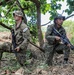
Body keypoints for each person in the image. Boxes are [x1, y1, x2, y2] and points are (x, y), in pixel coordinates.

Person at [0, 10, 31, 74]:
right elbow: (13, 32)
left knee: (22, 65)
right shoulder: (15, 25)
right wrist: (11, 35)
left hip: (20, 49)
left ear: (20, 17)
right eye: (14, 15)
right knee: (1, 46)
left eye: (16, 15)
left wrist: (20, 47)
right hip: (13, 45)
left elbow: (27, 39)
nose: (14, 16)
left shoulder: (24, 27)